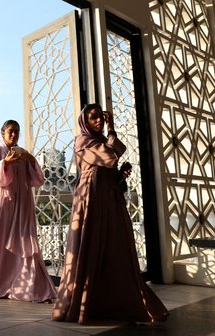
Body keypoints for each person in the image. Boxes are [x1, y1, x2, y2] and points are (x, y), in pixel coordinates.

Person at [52, 104, 168, 324]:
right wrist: (112, 132)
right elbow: (108, 155)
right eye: (93, 117)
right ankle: (86, 302)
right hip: (91, 196)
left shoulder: (100, 141)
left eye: (101, 118)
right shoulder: (83, 141)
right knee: (92, 242)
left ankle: (114, 300)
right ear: (84, 121)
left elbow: (112, 166)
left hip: (109, 196)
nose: (99, 121)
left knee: (113, 245)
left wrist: (121, 176)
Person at [0, 119, 57, 303]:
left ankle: (28, 283)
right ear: (3, 133)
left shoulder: (22, 154)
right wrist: (4, 163)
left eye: (16, 131)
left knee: (25, 239)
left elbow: (37, 180)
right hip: (4, 201)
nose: (14, 135)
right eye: (10, 132)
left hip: (23, 201)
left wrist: (30, 159)